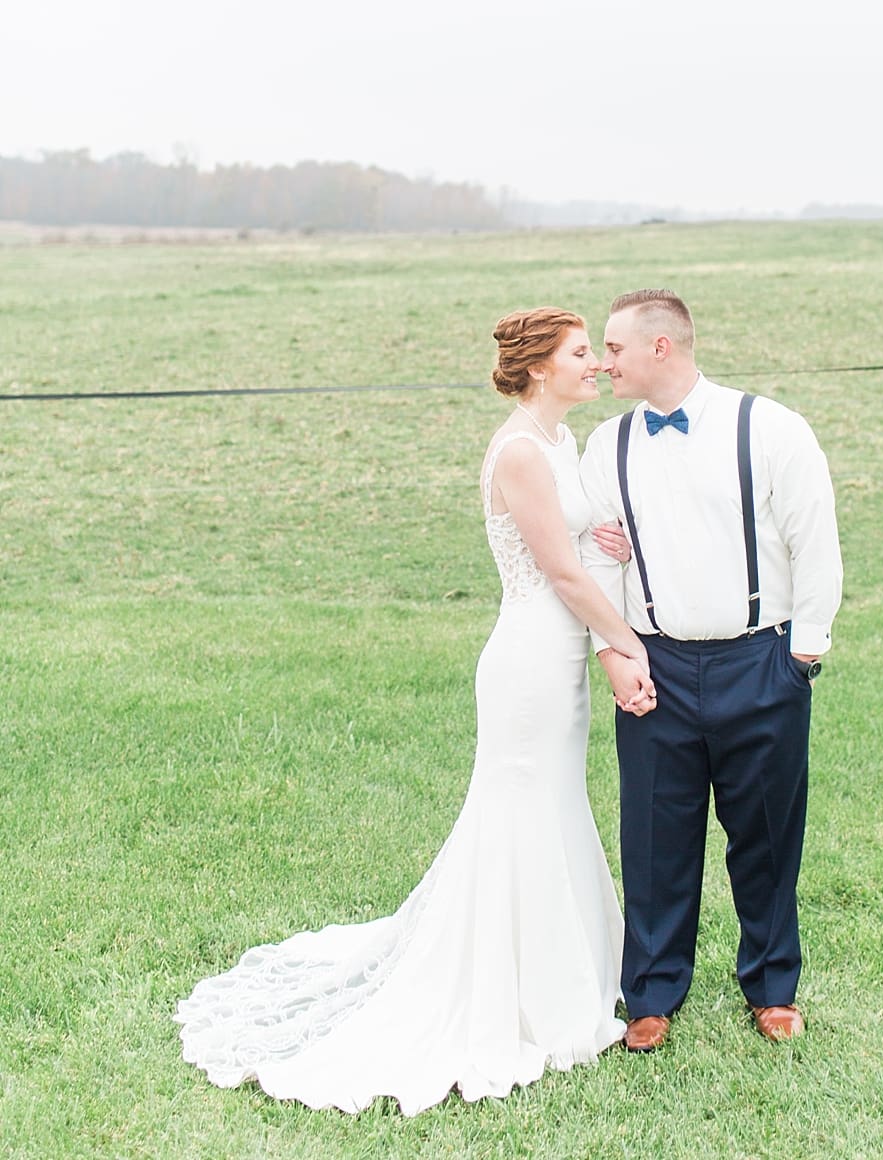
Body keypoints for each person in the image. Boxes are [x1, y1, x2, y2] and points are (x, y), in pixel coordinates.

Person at [176, 307, 656, 1116]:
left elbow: (571, 551)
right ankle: (516, 995)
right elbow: (560, 580)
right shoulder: (517, 454)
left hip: (558, 660)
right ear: (540, 367)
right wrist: (626, 646)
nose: (597, 366)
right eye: (582, 354)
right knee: (519, 811)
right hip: (530, 662)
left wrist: (600, 541)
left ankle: (565, 975)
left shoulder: (558, 443)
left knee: (554, 804)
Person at [579, 288, 843, 1051]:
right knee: (656, 835)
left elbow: (813, 539)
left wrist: (802, 653)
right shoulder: (610, 445)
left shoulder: (770, 429)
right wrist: (618, 652)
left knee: (764, 833)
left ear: (663, 347)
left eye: (616, 347)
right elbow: (599, 553)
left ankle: (771, 986)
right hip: (654, 662)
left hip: (759, 658)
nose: (605, 361)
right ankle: (653, 993)